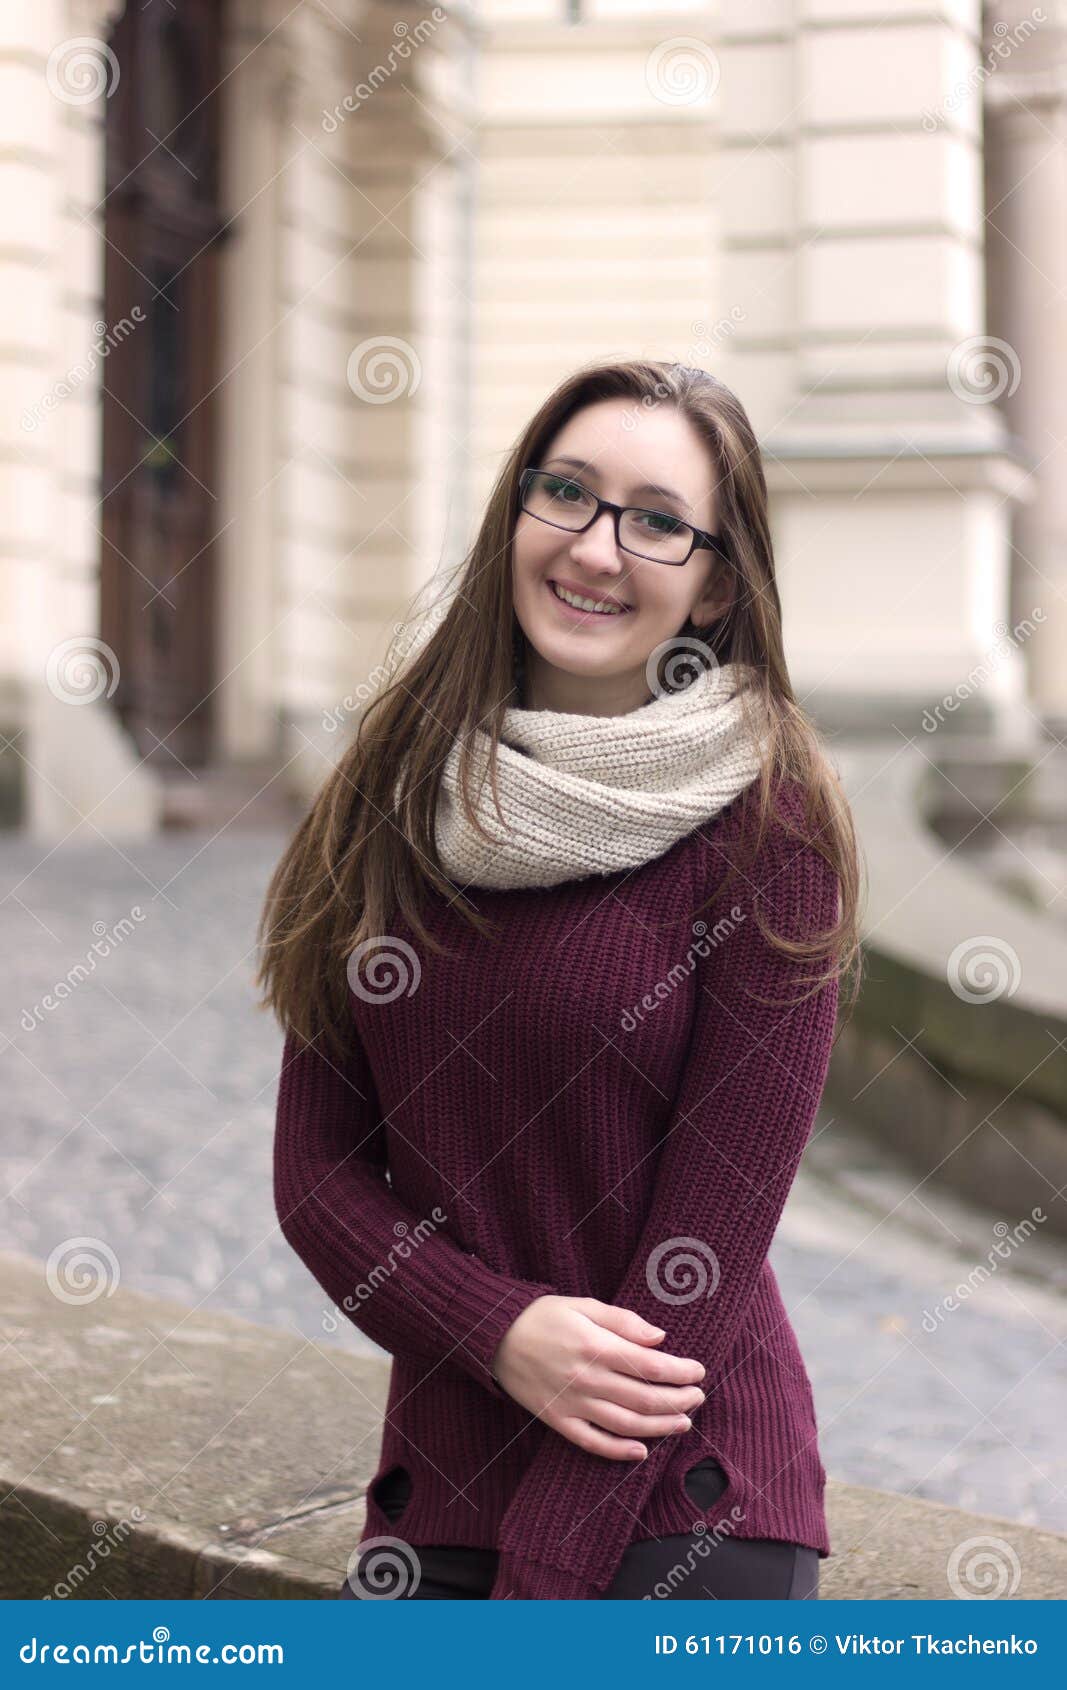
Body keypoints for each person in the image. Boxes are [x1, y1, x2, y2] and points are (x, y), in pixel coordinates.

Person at [256, 358, 863, 1601]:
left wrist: (544, 1583)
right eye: (566, 493)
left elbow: (708, 1235)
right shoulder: (392, 794)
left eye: (654, 520)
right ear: (514, 512)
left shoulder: (772, 827)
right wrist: (499, 1330)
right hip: (441, 1489)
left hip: (689, 1501)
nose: (595, 548)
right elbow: (316, 1176)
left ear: (711, 588)